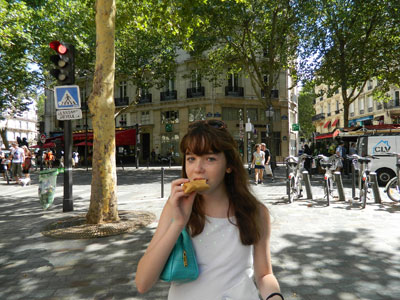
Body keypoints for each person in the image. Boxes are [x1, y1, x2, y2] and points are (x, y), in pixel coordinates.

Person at [135, 120, 282, 300]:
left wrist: (276, 297)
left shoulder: (256, 212)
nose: (198, 169)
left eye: (210, 159)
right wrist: (179, 223)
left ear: (229, 165)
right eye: (191, 159)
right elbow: (143, 282)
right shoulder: (175, 208)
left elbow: (264, 274)